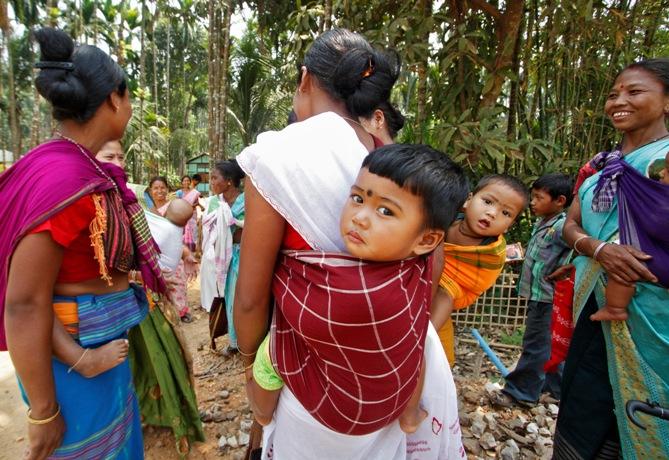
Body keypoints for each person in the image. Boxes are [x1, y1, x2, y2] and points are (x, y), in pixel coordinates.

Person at [235, 28, 465, 459]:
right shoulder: (394, 158)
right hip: (399, 364)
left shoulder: (278, 159)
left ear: (305, 80)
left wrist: (253, 366)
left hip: (316, 384)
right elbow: (429, 269)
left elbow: (249, 300)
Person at [0, 27, 161, 459]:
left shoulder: (75, 167)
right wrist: (45, 411)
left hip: (96, 351)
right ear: (114, 98)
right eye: (128, 96)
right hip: (72, 371)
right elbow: (24, 301)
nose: (129, 106)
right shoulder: (66, 180)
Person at [249, 144, 467, 435]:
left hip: (346, 413)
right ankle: (410, 415)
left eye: (385, 211)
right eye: (357, 197)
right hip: (395, 393)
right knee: (417, 341)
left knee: (267, 356)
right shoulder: (419, 264)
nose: (360, 217)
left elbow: (285, 289)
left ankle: (261, 414)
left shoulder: (351, 292)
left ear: (427, 240)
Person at [553, 59, 669, 459]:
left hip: (652, 314)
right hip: (593, 304)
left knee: (644, 412)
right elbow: (568, 224)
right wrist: (599, 249)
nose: (618, 101)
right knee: (583, 401)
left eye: (634, 92)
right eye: (614, 93)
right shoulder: (601, 164)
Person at [489, 173, 572, 408]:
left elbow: (581, 248)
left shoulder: (562, 227)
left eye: (538, 197)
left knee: (536, 346)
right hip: (539, 295)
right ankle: (556, 390)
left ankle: (520, 393)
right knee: (549, 345)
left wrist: (570, 266)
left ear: (559, 201)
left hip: (549, 297)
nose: (532, 202)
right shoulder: (542, 224)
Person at [430, 174, 529, 364]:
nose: (492, 213)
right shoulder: (445, 217)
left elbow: (477, 279)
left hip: (452, 288)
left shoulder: (491, 252)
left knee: (445, 295)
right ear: (468, 200)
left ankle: (426, 336)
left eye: (506, 213)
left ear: (509, 226)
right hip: (417, 280)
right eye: (487, 201)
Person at [148, 176, 195, 322]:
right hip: (156, 256)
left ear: (167, 190)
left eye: (162, 187)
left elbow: (176, 236)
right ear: (150, 191)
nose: (159, 191)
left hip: (174, 253)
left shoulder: (174, 208)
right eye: (156, 188)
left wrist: (187, 254)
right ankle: (166, 314)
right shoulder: (148, 210)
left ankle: (182, 312)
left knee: (178, 285)